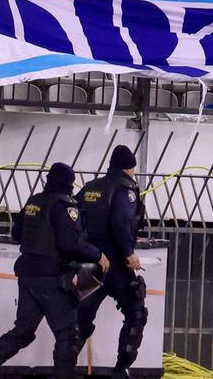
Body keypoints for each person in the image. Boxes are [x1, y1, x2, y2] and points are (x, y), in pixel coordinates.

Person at [0, 162, 109, 379]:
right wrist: (98, 255)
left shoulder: (33, 202)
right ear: (69, 183)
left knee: (23, 330)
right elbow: (70, 243)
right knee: (68, 333)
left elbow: (17, 232)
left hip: (28, 275)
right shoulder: (65, 206)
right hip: (52, 276)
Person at [76, 145, 147, 379]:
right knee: (136, 312)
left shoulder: (90, 188)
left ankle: (62, 367)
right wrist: (129, 254)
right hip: (116, 265)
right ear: (130, 168)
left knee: (80, 319)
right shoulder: (126, 188)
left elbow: (74, 220)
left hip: (89, 263)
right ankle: (120, 369)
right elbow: (119, 223)